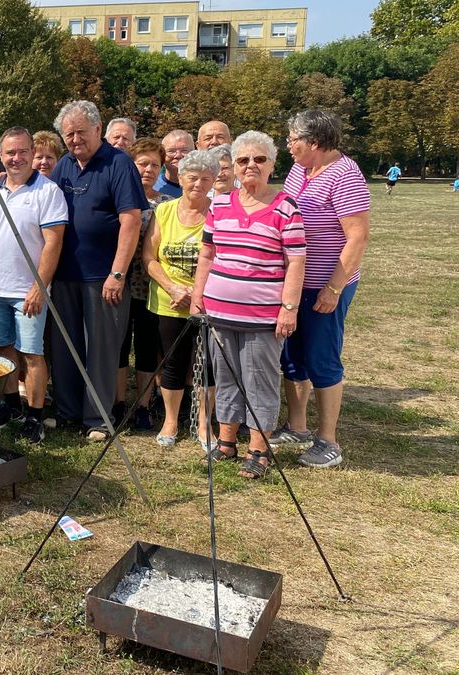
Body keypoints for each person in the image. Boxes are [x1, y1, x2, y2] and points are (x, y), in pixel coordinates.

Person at [192, 130, 306, 479]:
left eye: (259, 159)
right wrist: (199, 296)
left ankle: (259, 450)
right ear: (234, 167)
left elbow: (296, 261)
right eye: (243, 160)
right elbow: (208, 254)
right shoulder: (221, 204)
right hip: (219, 313)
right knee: (226, 378)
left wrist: (289, 308)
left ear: (272, 164)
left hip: (262, 317)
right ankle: (226, 442)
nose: (250, 166)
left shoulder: (285, 207)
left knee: (259, 381)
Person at [276, 109, 371, 469]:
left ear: (314, 142)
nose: (289, 146)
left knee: (322, 358)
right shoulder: (301, 170)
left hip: (324, 284)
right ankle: (297, 426)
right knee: (293, 356)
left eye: (293, 139)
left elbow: (358, 238)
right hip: (295, 283)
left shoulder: (345, 175)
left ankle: (328, 440)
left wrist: (333, 289)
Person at [48, 100, 148, 440]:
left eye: (80, 132)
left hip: (102, 277)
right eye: (68, 134)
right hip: (64, 275)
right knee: (65, 347)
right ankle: (67, 412)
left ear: (97, 129)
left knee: (101, 350)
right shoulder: (63, 165)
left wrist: (117, 273)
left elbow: (131, 221)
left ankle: (97, 419)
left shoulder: (119, 164)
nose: (75, 139)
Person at [0, 128, 67, 443]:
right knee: (2, 349)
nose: (16, 158)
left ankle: (34, 416)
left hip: (28, 291)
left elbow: (54, 242)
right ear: (1, 155)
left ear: (32, 153)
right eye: (10, 153)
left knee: (32, 354)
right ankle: (9, 406)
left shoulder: (48, 192)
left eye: (22, 152)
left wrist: (39, 285)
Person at [143, 150, 217, 449]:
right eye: (192, 177)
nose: (197, 184)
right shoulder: (164, 211)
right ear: (180, 178)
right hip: (168, 301)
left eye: (205, 179)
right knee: (172, 363)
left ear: (213, 181)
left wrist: (197, 293)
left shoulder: (218, 213)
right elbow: (149, 256)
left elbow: (222, 260)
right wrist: (174, 288)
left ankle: (203, 424)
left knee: (206, 364)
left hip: (208, 302)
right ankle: (171, 420)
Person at [116, 138, 172, 431]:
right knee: (120, 346)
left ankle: (143, 405)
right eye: (142, 164)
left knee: (148, 349)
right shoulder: (119, 197)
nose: (148, 170)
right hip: (122, 287)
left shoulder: (166, 205)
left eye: (154, 165)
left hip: (151, 289)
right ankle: (117, 403)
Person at [156, 129, 193, 198]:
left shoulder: (204, 186)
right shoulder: (152, 186)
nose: (178, 155)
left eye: (184, 150)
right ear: (162, 154)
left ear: (194, 152)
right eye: (171, 151)